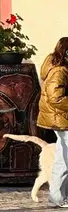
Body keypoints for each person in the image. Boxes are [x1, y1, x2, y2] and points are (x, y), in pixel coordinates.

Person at [37, 37, 68, 208]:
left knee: (63, 158)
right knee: (65, 159)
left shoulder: (57, 67)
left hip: (60, 117)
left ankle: (57, 196)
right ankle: (58, 196)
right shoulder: (60, 71)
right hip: (62, 118)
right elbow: (56, 98)